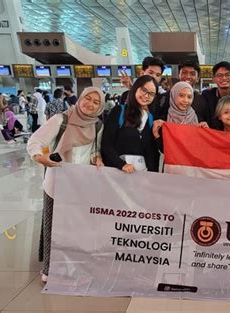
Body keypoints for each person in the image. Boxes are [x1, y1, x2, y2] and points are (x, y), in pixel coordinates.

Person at [27, 87, 105, 284]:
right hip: (57, 181)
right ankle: (50, 268)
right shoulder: (61, 120)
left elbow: (95, 150)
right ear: (79, 98)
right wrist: (39, 157)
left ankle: (75, 264)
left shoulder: (97, 126)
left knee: (76, 226)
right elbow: (36, 140)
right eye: (88, 98)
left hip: (82, 185)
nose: (91, 104)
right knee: (53, 225)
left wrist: (97, 158)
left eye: (96, 102)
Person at [102, 75, 159, 173]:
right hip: (118, 173)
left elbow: (150, 150)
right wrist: (121, 164)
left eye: (151, 94)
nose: (146, 96)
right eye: (144, 90)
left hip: (141, 174)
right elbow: (106, 144)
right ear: (135, 88)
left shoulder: (149, 118)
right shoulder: (119, 111)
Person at [201, 61, 230, 126]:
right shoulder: (207, 95)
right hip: (214, 132)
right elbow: (203, 115)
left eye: (228, 74)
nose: (224, 78)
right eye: (219, 75)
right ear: (214, 79)